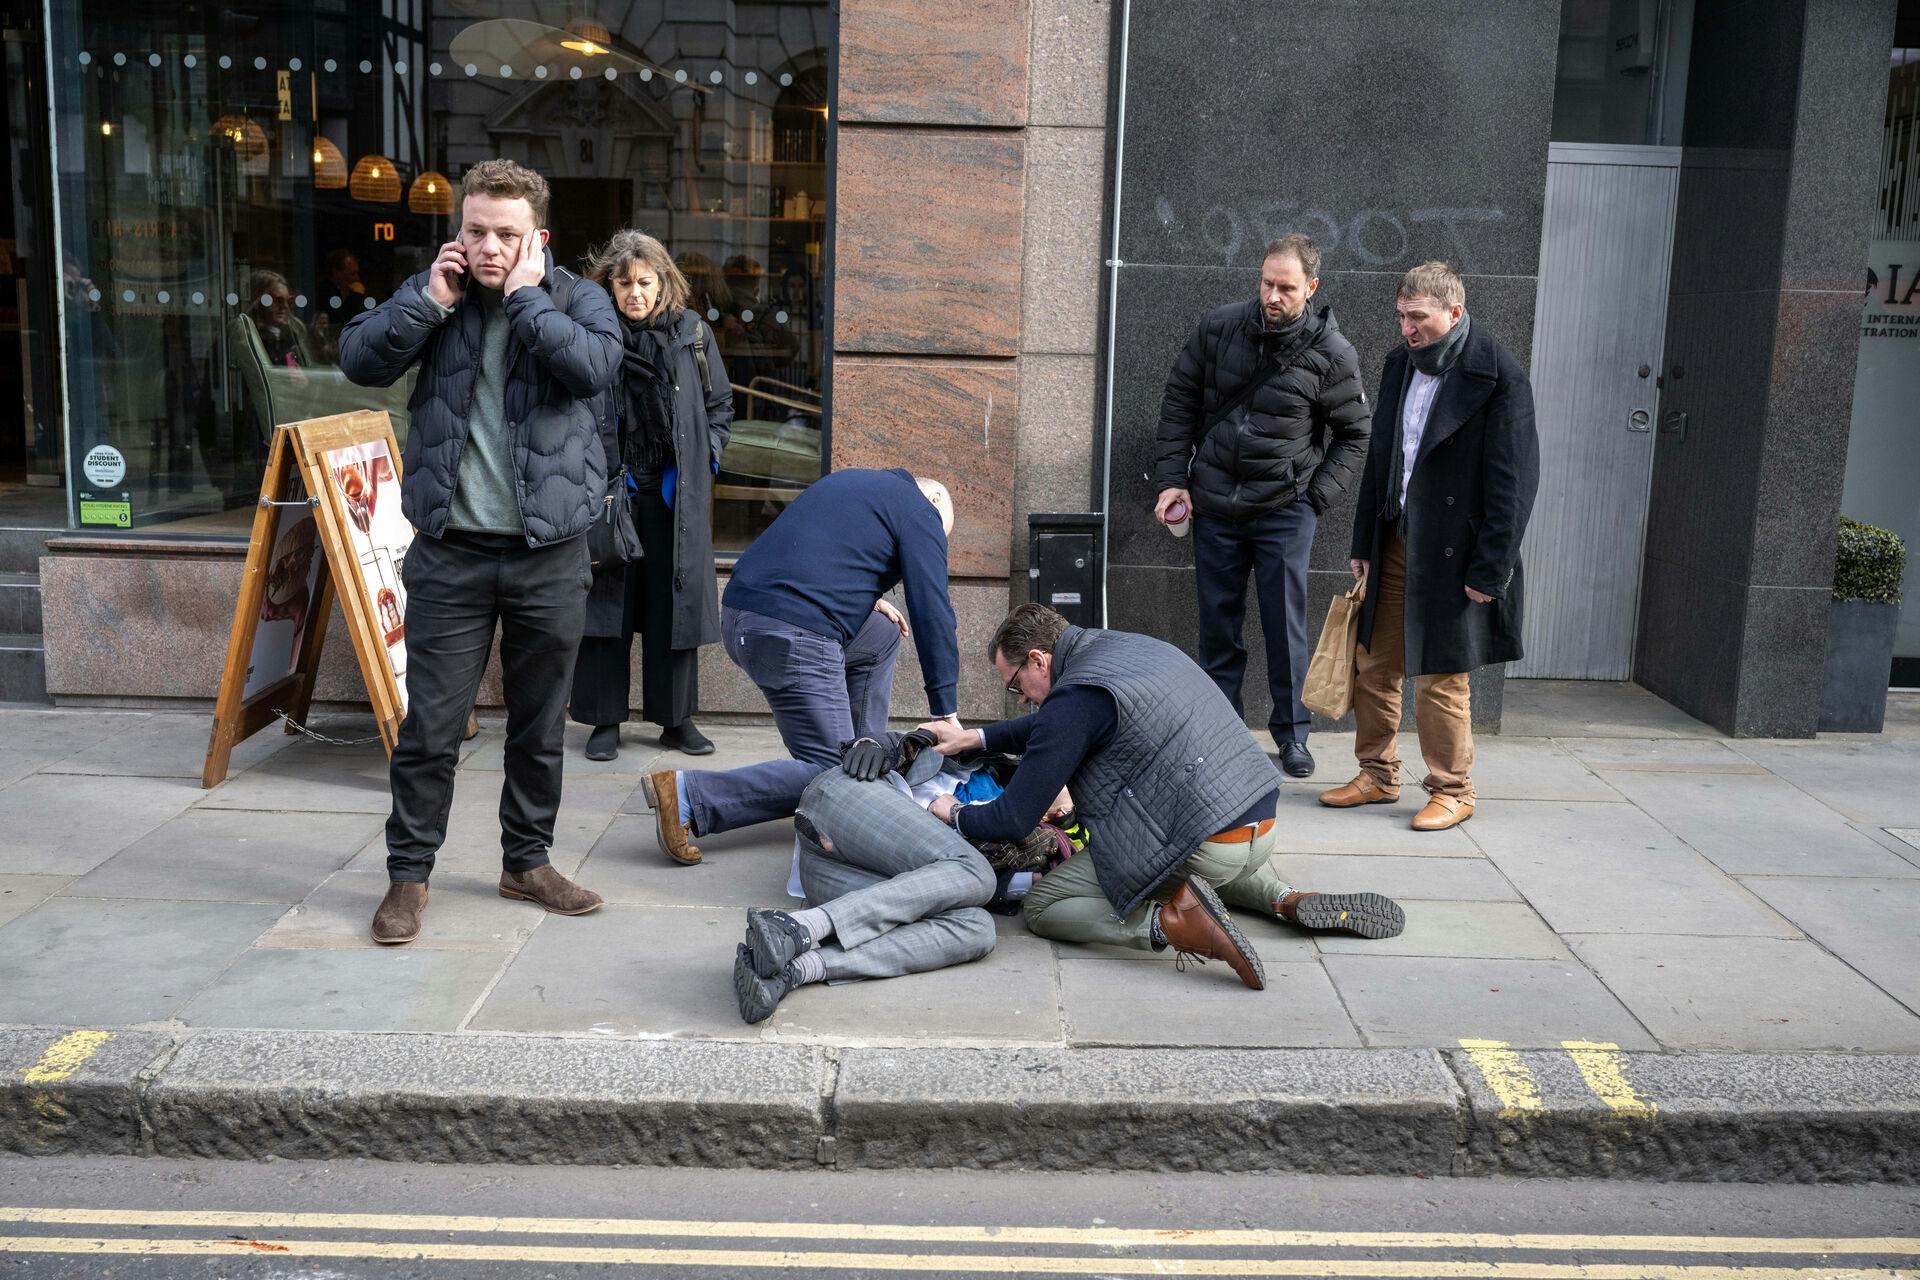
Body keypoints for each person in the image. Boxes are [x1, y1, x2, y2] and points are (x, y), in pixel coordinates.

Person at [340, 158, 623, 944]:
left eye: (505, 234)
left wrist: (528, 299)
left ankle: (525, 862)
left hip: (549, 554)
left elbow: (596, 368)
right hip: (452, 554)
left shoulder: (576, 298)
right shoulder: (437, 294)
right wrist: (430, 301)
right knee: (429, 728)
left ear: (537, 237)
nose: (488, 247)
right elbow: (360, 359)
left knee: (538, 725)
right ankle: (408, 878)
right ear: (458, 229)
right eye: (475, 231)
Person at [916, 605, 1406, 990]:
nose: (1020, 698)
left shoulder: (1074, 699)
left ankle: (1170, 925)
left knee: (1045, 905)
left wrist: (954, 813)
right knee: (1194, 851)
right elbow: (1053, 725)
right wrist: (978, 739)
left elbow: (1014, 817)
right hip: (1258, 823)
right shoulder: (1124, 649)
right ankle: (1286, 899)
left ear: (1039, 660)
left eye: (1015, 684)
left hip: (1206, 844)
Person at [643, 467, 960, 869]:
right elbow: (933, 611)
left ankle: (869, 763)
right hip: (792, 632)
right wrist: (945, 712)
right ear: (933, 502)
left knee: (881, 633)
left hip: (743, 614)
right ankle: (691, 795)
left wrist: (863, 599)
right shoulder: (920, 510)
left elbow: (809, 553)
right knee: (836, 777)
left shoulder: (858, 484)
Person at [1319, 261, 1539, 832]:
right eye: (1401, 316)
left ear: (1455, 312)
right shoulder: (1400, 365)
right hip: (1395, 538)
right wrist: (1365, 537)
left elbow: (1514, 481)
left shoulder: (1498, 374)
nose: (1407, 329)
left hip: (1454, 552)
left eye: (1418, 318)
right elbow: (1381, 457)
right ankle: (1377, 773)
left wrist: (1490, 569)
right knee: (1374, 662)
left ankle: (1452, 788)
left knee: (1443, 673)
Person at [1152, 234, 1372, 781]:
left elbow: (1355, 435)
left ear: (1311, 287)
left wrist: (1314, 499)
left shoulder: (1332, 353)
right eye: (1267, 283)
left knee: (1284, 626)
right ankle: (1223, 735)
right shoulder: (1220, 327)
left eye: (1287, 288)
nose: (1273, 296)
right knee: (1218, 630)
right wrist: (1172, 481)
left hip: (1283, 508)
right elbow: (1179, 402)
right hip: (1215, 506)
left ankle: (1292, 735)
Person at [569, 230, 733, 761]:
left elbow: (720, 406)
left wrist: (703, 459)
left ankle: (676, 720)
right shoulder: (593, 334)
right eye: (624, 283)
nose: (634, 293)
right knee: (606, 603)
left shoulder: (692, 334)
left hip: (672, 495)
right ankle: (603, 722)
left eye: (644, 282)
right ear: (608, 286)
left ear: (663, 282)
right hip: (609, 491)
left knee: (672, 604)